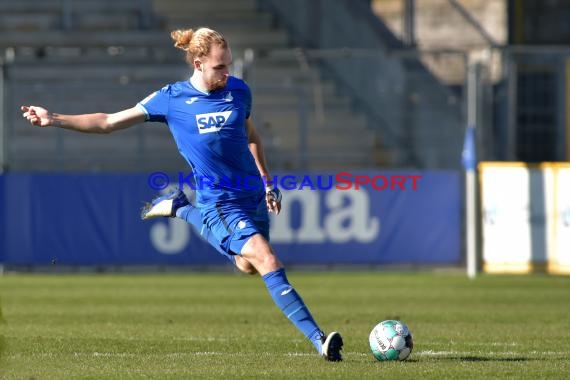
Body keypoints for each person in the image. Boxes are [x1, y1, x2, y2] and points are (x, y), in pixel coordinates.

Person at [21, 27, 343, 361]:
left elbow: (251, 135)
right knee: (268, 259)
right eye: (220, 67)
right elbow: (108, 121)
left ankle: (181, 209)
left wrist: (266, 182)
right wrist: (54, 118)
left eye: (228, 64)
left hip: (250, 195)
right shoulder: (171, 99)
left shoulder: (239, 90)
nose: (227, 72)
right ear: (199, 62)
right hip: (219, 203)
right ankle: (320, 340)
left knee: (248, 266)